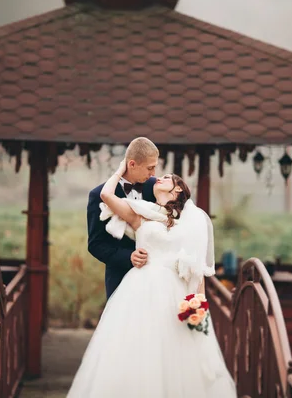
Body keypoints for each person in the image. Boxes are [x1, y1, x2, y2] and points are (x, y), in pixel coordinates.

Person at [68, 158, 237, 398]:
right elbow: (107, 197)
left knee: (176, 353)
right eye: (154, 171)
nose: (157, 176)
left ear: (178, 189)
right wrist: (119, 171)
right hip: (139, 288)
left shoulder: (192, 220)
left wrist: (198, 308)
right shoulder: (142, 216)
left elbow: (196, 269)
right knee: (133, 350)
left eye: (166, 177)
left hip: (174, 292)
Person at [87, 137, 158, 299]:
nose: (153, 174)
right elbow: (95, 244)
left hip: (156, 276)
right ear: (132, 164)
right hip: (120, 277)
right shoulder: (98, 195)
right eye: (150, 168)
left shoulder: (157, 188)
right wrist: (128, 256)